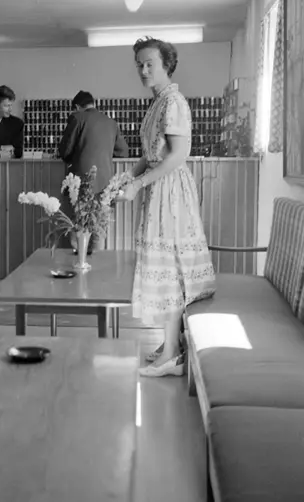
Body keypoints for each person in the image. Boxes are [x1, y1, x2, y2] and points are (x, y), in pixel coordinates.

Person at [116, 37, 216, 378]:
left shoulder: (173, 101)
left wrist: (139, 183)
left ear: (166, 65)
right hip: (159, 189)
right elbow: (151, 154)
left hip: (170, 192)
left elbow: (177, 156)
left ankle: (172, 355)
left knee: (170, 267)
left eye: (150, 64)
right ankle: (170, 343)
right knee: (163, 264)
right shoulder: (159, 101)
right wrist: (127, 177)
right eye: (139, 65)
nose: (143, 70)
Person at [58, 90, 129, 251]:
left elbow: (64, 151)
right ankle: (97, 264)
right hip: (105, 186)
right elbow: (123, 151)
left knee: (79, 229)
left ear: (77, 107)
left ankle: (78, 262)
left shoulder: (77, 118)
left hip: (81, 184)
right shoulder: (111, 123)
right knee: (99, 230)